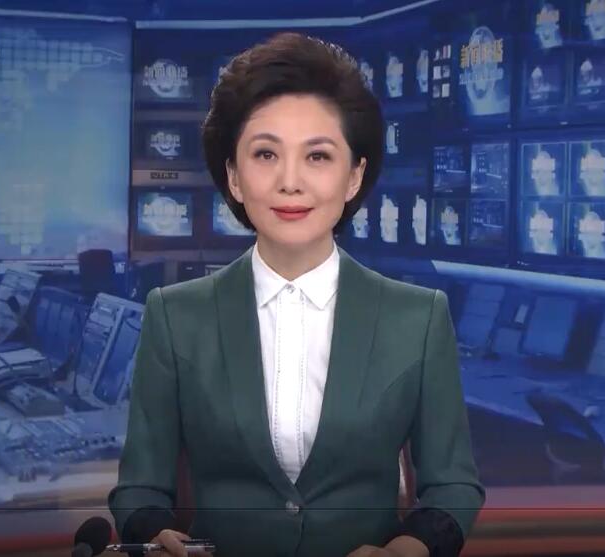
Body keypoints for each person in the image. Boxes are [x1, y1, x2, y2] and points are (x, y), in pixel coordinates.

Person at [109, 32, 485, 557]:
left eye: (318, 156)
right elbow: (139, 490)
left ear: (354, 177)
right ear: (233, 176)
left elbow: (453, 487)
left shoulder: (418, 318)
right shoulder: (174, 316)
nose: (290, 182)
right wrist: (154, 534)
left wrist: (407, 549)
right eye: (266, 154)